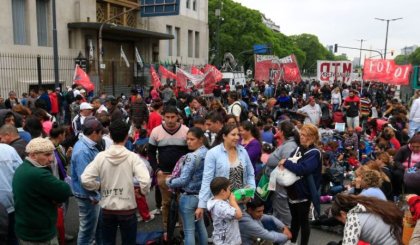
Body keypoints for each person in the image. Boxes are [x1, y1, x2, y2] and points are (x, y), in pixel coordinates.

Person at [81, 120, 151, 245]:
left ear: (111, 136)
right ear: (126, 136)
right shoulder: (132, 157)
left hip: (107, 208)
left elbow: (85, 179)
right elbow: (145, 180)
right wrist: (141, 191)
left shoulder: (101, 157)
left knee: (108, 242)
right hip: (127, 209)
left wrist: (99, 186)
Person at [12, 138, 72, 244]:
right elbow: (65, 191)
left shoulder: (22, 168)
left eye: (52, 154)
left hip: (27, 230)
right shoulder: (38, 174)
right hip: (40, 234)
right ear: (33, 155)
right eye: (47, 155)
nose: (52, 159)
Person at [196, 124, 255, 220]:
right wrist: (201, 205)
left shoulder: (243, 151)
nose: (237, 137)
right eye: (233, 134)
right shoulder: (213, 153)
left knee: (239, 234)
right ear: (224, 136)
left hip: (241, 203)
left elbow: (250, 174)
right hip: (222, 205)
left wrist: (250, 193)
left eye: (238, 134)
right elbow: (207, 180)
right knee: (224, 234)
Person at [278, 124, 322, 245]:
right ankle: (293, 242)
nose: (301, 137)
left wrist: (286, 163)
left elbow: (303, 169)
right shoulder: (298, 148)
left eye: (304, 135)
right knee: (295, 220)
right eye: (301, 134)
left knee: (303, 222)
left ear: (312, 137)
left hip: (303, 193)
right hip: (292, 191)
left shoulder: (315, 152)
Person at [148, 106, 189, 234]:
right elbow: (151, 153)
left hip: (182, 175)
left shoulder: (186, 131)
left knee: (182, 203)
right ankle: (166, 231)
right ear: (163, 117)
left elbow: (190, 153)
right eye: (167, 117)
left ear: (178, 117)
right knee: (165, 204)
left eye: (173, 117)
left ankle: (184, 231)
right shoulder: (156, 132)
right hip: (164, 174)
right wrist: (157, 170)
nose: (170, 120)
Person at [166, 127, 208, 245]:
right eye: (187, 139)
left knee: (189, 231)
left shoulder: (192, 156)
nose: (189, 142)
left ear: (201, 139)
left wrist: (168, 181)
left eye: (192, 139)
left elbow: (183, 180)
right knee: (201, 227)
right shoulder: (208, 152)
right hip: (202, 196)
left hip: (188, 196)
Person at [71, 116, 104, 245]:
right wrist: (94, 195)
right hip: (87, 196)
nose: (102, 136)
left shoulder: (86, 144)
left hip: (90, 194)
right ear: (94, 133)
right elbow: (85, 180)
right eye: (101, 133)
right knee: (87, 231)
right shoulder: (83, 151)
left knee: (95, 227)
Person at [331, 194, 403, 245]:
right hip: (399, 238)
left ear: (342, 214)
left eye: (341, 220)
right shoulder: (366, 206)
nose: (343, 223)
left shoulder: (352, 219)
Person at [266, 120, 300, 227]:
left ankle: (290, 234)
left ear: (282, 131)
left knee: (284, 212)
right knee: (277, 209)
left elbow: (286, 164)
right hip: (277, 185)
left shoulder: (289, 145)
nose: (276, 131)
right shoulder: (286, 143)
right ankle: (279, 233)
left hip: (281, 187)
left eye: (278, 129)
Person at [207, 177, 242, 245]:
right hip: (227, 242)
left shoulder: (217, 201)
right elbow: (239, 215)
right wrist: (233, 201)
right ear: (223, 191)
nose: (230, 191)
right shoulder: (220, 206)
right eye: (229, 189)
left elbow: (231, 205)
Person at [0, 144, 22, 244]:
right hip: (10, 202)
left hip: (9, 203)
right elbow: (21, 172)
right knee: (12, 236)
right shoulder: (8, 149)